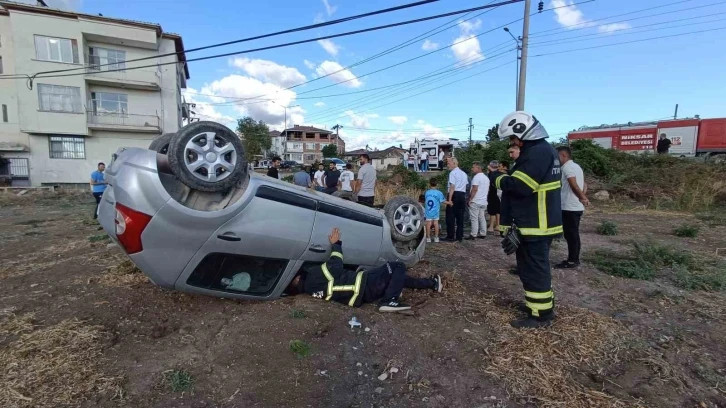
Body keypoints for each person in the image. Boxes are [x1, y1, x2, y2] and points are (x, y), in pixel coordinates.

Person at [494, 111, 562, 329]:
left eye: (513, 138)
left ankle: (540, 316)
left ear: (522, 132)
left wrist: (499, 178)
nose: (513, 143)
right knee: (532, 268)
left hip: (536, 225)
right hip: (535, 223)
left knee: (534, 269)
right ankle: (538, 305)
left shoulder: (537, 153)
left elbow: (521, 186)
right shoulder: (543, 151)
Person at [284, 227, 443, 311]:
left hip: (360, 295)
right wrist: (336, 244)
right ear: (296, 280)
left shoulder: (311, 289)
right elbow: (335, 266)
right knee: (397, 266)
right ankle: (389, 301)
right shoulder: (312, 277)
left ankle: (431, 284)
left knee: (397, 277)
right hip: (362, 285)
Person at [555, 146, 589, 269]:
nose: (556, 159)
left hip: (570, 206)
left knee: (571, 234)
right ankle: (573, 259)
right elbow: (584, 184)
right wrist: (583, 195)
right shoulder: (576, 166)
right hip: (574, 206)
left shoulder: (568, 168)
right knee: (572, 234)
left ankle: (573, 260)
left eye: (557, 156)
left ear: (563, 156)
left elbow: (573, 184)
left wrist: (582, 197)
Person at [445, 157, 467, 243]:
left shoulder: (453, 173)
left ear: (454, 163)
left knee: (450, 216)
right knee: (460, 216)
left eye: (449, 163)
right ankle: (459, 236)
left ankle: (450, 235)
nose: (448, 165)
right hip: (462, 194)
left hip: (454, 194)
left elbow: (452, 187)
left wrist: (450, 200)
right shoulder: (464, 173)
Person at [466, 162, 489, 240]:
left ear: (478, 168)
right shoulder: (486, 178)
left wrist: (470, 199)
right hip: (483, 201)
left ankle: (473, 234)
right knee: (482, 217)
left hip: (476, 200)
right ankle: (483, 232)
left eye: (473, 167)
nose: (472, 169)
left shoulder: (476, 177)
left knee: (474, 218)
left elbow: (475, 189)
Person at [424, 179, 448, 243]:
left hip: (428, 211)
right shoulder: (439, 193)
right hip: (435, 211)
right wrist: (449, 202)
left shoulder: (427, 192)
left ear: (429, 184)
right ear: (437, 184)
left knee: (428, 224)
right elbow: (443, 201)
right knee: (436, 223)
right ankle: (436, 237)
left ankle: (428, 238)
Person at [486, 161, 502, 235]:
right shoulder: (500, 173)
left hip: (492, 193)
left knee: (492, 211)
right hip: (499, 194)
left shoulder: (491, 174)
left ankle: (492, 226)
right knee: (498, 210)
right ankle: (498, 225)